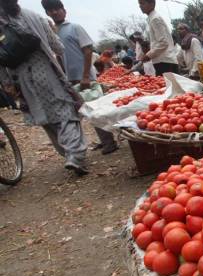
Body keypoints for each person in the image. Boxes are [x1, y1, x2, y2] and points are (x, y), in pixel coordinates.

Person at [0, 0, 88, 175]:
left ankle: (67, 153)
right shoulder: (32, 16)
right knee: (65, 113)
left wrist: (7, 83)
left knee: (44, 117)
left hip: (21, 78)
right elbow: (58, 47)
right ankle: (74, 155)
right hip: (45, 71)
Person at [41, 0, 118, 155]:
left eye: (58, 8)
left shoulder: (74, 27)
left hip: (84, 77)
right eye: (51, 10)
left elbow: (88, 51)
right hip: (68, 79)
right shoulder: (52, 33)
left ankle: (109, 142)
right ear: (47, 13)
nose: (55, 12)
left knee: (94, 110)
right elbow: (58, 56)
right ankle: (84, 146)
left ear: (64, 10)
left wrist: (85, 76)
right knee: (77, 112)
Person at [138, 0, 179, 76]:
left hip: (165, 62)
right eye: (139, 4)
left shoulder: (155, 19)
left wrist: (148, 55)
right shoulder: (152, 18)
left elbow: (163, 43)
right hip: (163, 61)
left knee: (168, 87)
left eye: (142, 3)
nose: (140, 6)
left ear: (152, 3)